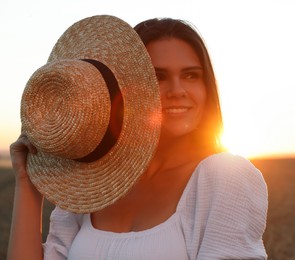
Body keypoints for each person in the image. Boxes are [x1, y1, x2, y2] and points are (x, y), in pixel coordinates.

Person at [8, 16, 268, 259]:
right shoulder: (89, 185)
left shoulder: (226, 176)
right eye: (158, 77)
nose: (177, 90)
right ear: (126, 90)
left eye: (191, 75)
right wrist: (27, 183)